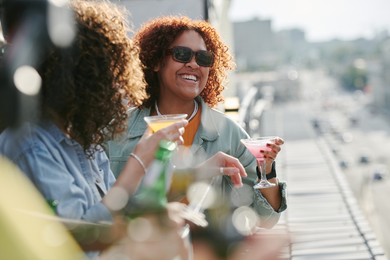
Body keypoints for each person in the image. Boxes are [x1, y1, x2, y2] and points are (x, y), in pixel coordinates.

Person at [0, 0, 247, 258]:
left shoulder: (86, 142)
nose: (118, 89)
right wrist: (139, 161)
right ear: (82, 79)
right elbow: (79, 238)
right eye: (109, 77)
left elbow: (118, 206)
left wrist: (187, 180)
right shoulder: (31, 146)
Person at [107, 15, 287, 228]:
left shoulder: (230, 134)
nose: (193, 64)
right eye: (182, 54)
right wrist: (196, 175)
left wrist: (266, 170)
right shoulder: (116, 131)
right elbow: (106, 209)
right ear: (155, 61)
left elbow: (265, 219)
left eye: (203, 58)